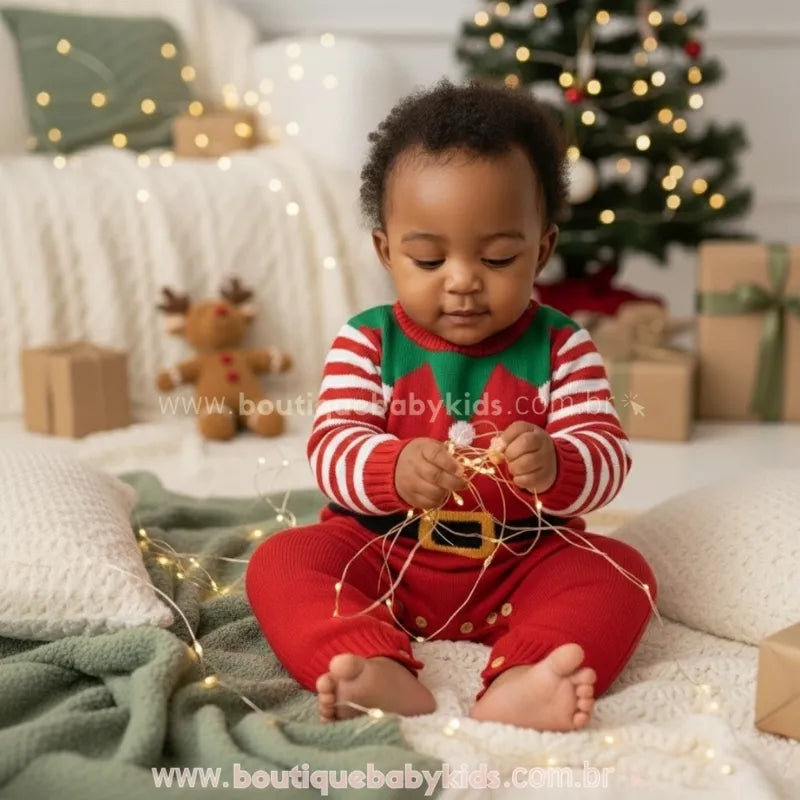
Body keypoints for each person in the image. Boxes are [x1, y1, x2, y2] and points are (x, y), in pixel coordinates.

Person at [246, 79, 656, 731]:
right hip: (380, 556)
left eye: (497, 257)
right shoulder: (369, 341)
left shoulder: (562, 346)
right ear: (387, 252)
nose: (463, 279)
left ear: (542, 249)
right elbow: (330, 448)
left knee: (624, 574)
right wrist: (391, 467)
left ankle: (529, 675)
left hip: (519, 563)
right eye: (429, 258)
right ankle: (367, 660)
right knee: (281, 561)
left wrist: (557, 462)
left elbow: (607, 454)